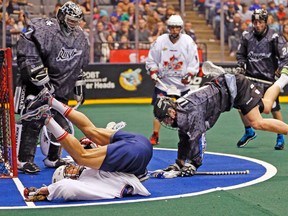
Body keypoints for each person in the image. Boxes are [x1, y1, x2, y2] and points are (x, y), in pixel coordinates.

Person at [152, 64, 288, 177]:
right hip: (227, 89)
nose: (166, 123)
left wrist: (193, 164)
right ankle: (284, 77)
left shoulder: (191, 111)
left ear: (171, 112)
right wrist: (179, 163)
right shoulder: (181, 112)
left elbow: (197, 137)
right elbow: (184, 137)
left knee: (257, 123)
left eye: (165, 119)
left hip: (235, 88)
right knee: (267, 106)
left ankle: (283, 78)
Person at [14, 1, 89, 174]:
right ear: (62, 17)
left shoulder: (80, 37)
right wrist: (41, 81)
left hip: (60, 88)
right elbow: (28, 56)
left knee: (60, 124)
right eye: (71, 21)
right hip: (36, 87)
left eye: (76, 22)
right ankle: (23, 160)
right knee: (33, 121)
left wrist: (78, 85)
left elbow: (78, 65)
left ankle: (53, 158)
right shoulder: (43, 29)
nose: (74, 25)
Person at [18, 87, 153, 180]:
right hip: (135, 155)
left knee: (91, 131)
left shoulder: (118, 159)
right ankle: (46, 119)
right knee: (82, 157)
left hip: (142, 142)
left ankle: (50, 100)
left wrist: (95, 146)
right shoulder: (122, 172)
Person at [236, 8, 288, 150]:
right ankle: (249, 131)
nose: (257, 25)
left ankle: (280, 135)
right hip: (250, 79)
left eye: (260, 22)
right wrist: (241, 65)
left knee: (273, 108)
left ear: (265, 22)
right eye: (255, 22)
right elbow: (241, 55)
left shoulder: (275, 37)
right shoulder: (247, 35)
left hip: (268, 80)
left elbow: (285, 58)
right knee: (241, 106)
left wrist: (281, 72)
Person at [146, 14, 200, 145]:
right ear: (168, 28)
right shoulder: (160, 40)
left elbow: (194, 61)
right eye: (172, 27)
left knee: (186, 111)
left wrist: (190, 74)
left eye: (177, 28)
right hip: (163, 83)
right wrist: (153, 71)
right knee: (159, 110)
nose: (175, 30)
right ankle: (155, 134)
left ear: (181, 28)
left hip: (182, 85)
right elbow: (151, 58)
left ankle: (188, 135)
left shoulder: (188, 41)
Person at [23, 159, 150, 202]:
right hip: (130, 180)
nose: (72, 168)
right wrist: (46, 190)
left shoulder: (87, 175)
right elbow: (66, 187)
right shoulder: (85, 181)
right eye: (68, 171)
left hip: (130, 180)